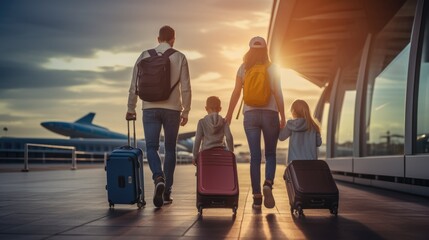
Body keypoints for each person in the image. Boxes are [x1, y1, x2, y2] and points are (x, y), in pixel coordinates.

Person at [126, 25, 191, 208]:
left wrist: (131, 108)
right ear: (173, 39)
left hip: (149, 108)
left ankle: (158, 177)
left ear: (158, 39)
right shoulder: (180, 57)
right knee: (170, 150)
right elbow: (186, 87)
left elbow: (134, 85)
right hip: (172, 110)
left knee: (151, 147)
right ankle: (167, 192)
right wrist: (186, 111)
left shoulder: (144, 56)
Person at [225, 36, 285, 209]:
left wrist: (229, 114)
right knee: (271, 154)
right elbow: (278, 93)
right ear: (265, 50)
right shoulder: (273, 68)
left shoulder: (243, 68)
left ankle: (257, 196)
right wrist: (282, 115)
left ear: (249, 49)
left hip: (250, 115)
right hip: (270, 114)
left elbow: (236, 92)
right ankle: (268, 183)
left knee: (255, 156)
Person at [192, 96, 234, 165]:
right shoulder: (224, 122)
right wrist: (231, 152)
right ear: (220, 109)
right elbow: (229, 137)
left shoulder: (202, 122)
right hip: (221, 153)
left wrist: (195, 156)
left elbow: (197, 140)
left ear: (206, 108)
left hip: (206, 154)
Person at [279, 99, 322, 163]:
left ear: (293, 112)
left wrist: (280, 126)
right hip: (311, 164)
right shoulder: (313, 126)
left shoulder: (291, 125)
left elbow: (281, 137)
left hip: (295, 164)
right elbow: (319, 143)